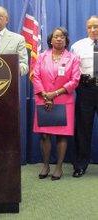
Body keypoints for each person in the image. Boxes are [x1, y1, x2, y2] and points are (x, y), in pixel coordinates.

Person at [33, 27, 80, 180]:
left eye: (62, 37)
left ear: (66, 40)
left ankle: (58, 167)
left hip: (64, 100)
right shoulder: (42, 56)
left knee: (62, 136)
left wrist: (55, 93)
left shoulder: (73, 58)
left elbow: (75, 80)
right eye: (56, 36)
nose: (59, 39)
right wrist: (45, 95)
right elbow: (36, 76)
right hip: (43, 99)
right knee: (45, 135)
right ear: (50, 40)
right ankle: (46, 165)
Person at [71, 16, 98, 177]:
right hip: (86, 89)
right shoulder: (77, 46)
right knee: (82, 128)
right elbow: (72, 69)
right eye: (90, 27)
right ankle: (80, 165)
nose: (93, 30)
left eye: (96, 26)